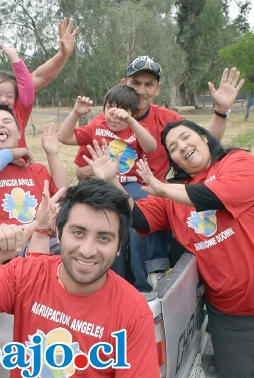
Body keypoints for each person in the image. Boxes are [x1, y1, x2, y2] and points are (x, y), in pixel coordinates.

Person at [0, 179, 161, 378]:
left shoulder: (132, 310)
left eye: (104, 238)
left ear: (119, 247)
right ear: (59, 233)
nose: (87, 250)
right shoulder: (27, 273)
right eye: (78, 232)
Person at [84, 121, 254, 378]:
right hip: (230, 313)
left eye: (186, 137)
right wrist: (112, 182)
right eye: (173, 147)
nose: (182, 147)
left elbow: (213, 196)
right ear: (172, 159)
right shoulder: (172, 194)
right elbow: (138, 217)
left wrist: (161, 188)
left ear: (204, 137)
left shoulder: (236, 163)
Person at [75, 56, 244, 289]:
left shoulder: (167, 119)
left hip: (153, 193)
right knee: (100, 218)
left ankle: (149, 282)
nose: (142, 91)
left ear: (157, 89)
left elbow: (205, 143)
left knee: (141, 210)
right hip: (113, 188)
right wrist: (86, 172)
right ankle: (107, 283)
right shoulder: (106, 119)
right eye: (136, 83)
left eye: (149, 84)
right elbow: (81, 168)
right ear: (124, 82)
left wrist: (221, 111)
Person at [58, 83, 160, 288]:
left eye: (120, 113)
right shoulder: (97, 127)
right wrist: (76, 112)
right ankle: (113, 280)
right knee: (105, 226)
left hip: (128, 184)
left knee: (140, 219)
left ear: (132, 114)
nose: (113, 116)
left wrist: (131, 121)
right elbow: (64, 137)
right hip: (99, 185)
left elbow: (151, 146)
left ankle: (144, 281)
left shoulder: (135, 130)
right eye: (109, 109)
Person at [0, 104, 68, 250]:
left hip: (40, 243)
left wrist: (52, 154)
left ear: (20, 133)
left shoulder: (36, 169)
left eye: (7, 121)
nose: (0, 124)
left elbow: (63, 194)